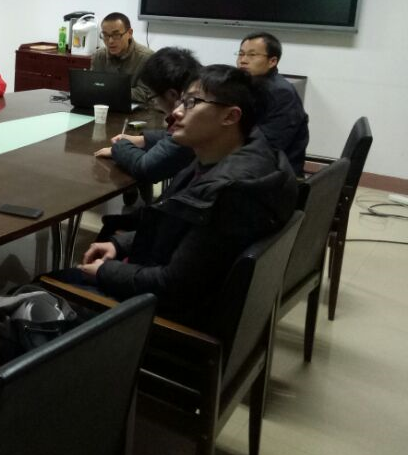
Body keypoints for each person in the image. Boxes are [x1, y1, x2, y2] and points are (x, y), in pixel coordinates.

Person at [66, 65, 297, 327]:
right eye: (181, 101)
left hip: (162, 321)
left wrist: (106, 271)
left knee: (40, 289)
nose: (175, 112)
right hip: (172, 290)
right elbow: (174, 223)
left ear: (231, 116)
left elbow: (172, 285)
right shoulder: (231, 154)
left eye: (191, 103)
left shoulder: (230, 192)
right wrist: (120, 245)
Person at [94, 47, 201, 184]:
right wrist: (141, 140)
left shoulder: (191, 125)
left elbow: (146, 168)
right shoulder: (198, 105)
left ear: (172, 95)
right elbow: (171, 137)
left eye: (153, 96)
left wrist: (119, 147)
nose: (154, 102)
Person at [237, 32, 309, 175]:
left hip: (276, 173)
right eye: (241, 54)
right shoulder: (247, 85)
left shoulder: (281, 93)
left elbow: (269, 144)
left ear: (272, 61)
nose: (243, 60)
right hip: (254, 161)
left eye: (252, 55)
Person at [90, 12, 154, 104]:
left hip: (136, 109)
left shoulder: (147, 57)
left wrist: (111, 91)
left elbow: (145, 93)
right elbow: (93, 85)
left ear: (130, 33)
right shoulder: (99, 56)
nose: (110, 41)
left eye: (116, 35)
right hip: (103, 106)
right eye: (106, 35)